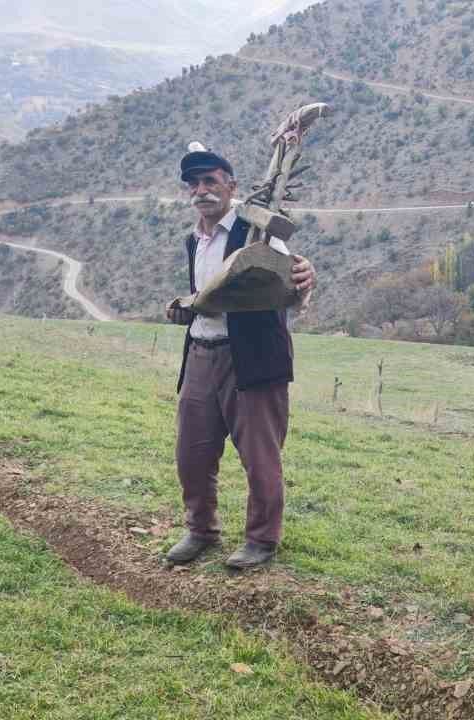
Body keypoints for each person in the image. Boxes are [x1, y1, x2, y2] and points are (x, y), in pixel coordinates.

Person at [164, 145, 316, 570]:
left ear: (231, 185)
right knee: (191, 455)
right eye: (194, 184)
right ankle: (200, 530)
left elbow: (292, 285)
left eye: (210, 181)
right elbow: (207, 298)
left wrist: (306, 279)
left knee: (260, 455)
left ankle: (262, 539)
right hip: (200, 355)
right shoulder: (193, 240)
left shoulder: (258, 235)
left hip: (251, 361)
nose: (201, 190)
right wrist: (184, 309)